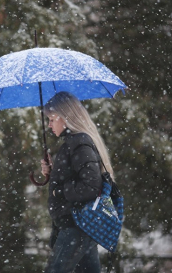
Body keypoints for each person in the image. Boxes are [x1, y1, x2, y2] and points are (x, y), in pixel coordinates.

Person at [40, 91, 115, 273]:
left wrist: (60, 191)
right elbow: (75, 177)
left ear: (65, 117)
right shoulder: (72, 143)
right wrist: (51, 172)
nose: (49, 125)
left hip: (76, 226)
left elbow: (90, 186)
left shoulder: (79, 143)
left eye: (52, 119)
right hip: (78, 225)